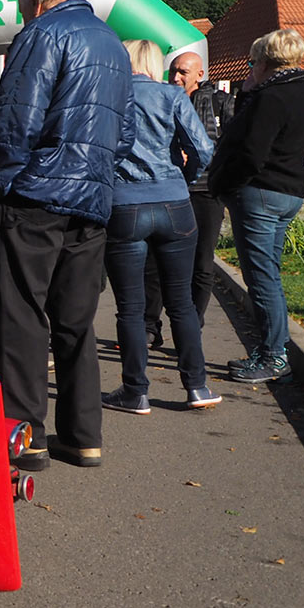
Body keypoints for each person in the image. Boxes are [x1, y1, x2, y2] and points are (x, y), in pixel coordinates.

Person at [0, 0, 134, 470]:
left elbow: (17, 117)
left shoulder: (40, 34)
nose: (21, 16)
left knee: (21, 318)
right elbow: (122, 135)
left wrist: (6, 183)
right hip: (92, 199)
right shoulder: (113, 44)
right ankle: (84, 436)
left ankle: (26, 437)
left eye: (21, 8)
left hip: (35, 195)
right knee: (76, 321)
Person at [101, 40, 218, 415]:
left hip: (125, 205)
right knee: (181, 301)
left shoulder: (109, 96)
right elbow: (203, 149)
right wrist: (182, 178)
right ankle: (197, 386)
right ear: (153, 64)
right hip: (174, 202)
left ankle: (135, 391)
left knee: (131, 308)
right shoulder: (172, 95)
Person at [207, 29, 304, 384]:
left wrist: (223, 185)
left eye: (252, 62)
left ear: (265, 62)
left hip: (260, 192)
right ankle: (274, 349)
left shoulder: (271, 98)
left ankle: (273, 356)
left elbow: (251, 153)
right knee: (269, 273)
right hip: (289, 191)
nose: (250, 69)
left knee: (261, 277)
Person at [144, 51, 234, 347]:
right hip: (167, 189)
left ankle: (191, 328)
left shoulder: (219, 104)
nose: (175, 78)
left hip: (205, 192)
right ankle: (149, 325)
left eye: (182, 72)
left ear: (200, 74)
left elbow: (232, 147)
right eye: (172, 71)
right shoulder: (162, 100)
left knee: (201, 262)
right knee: (154, 260)